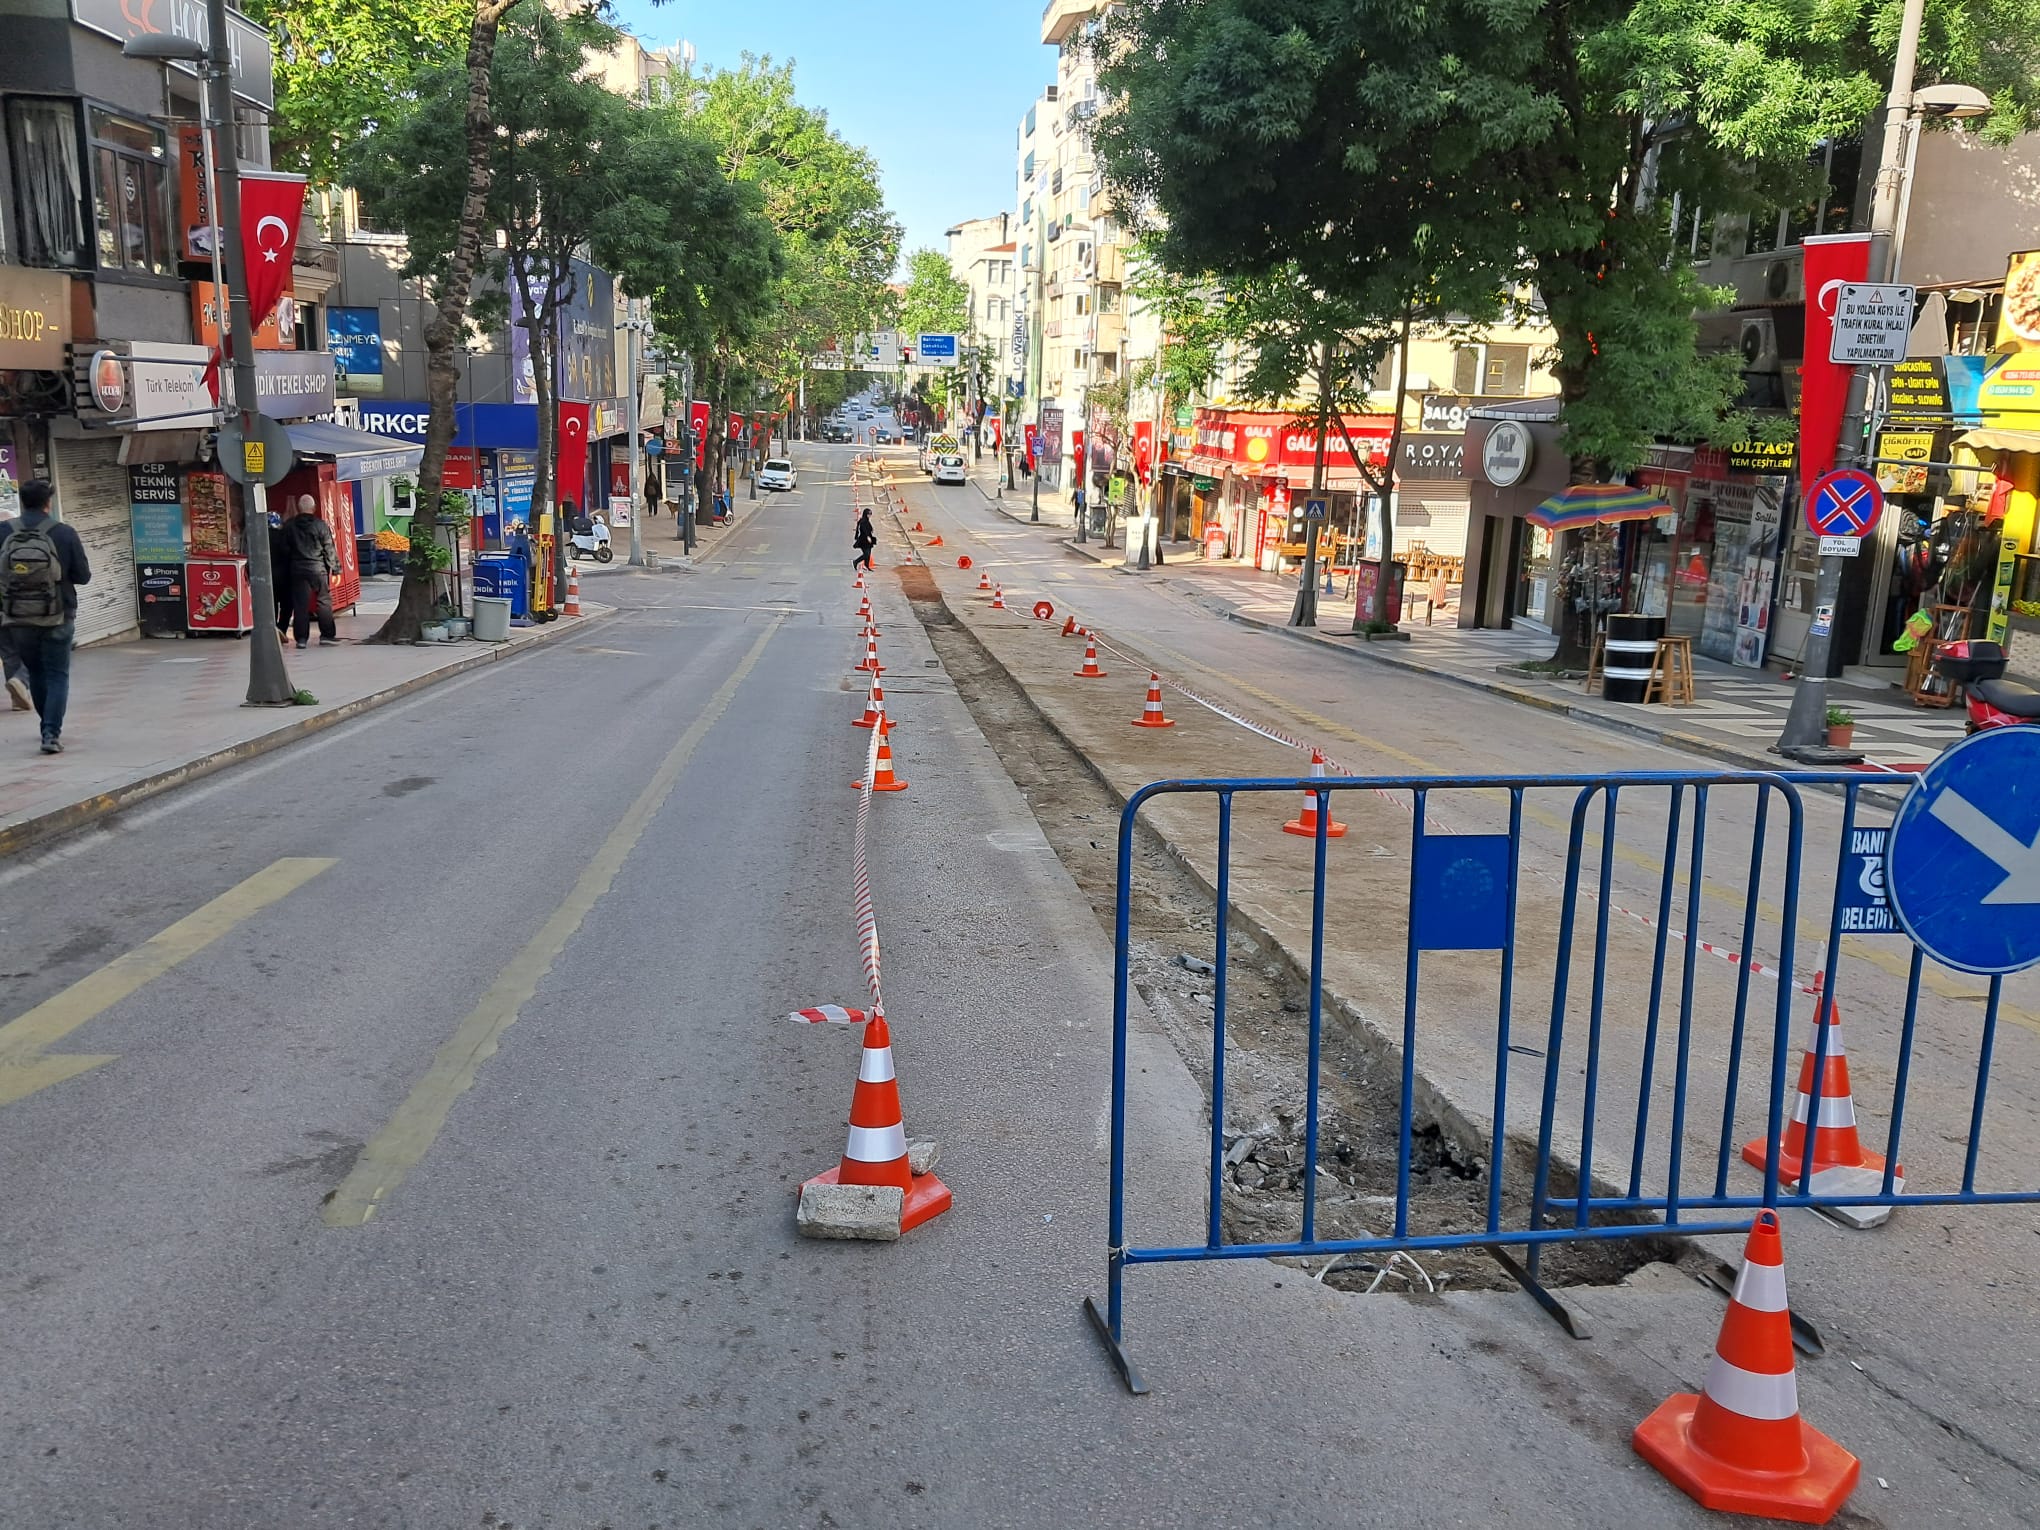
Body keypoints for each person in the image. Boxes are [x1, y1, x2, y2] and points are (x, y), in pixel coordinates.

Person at [0, 478, 91, 754]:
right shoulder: (64, 533)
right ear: (48, 503)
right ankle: (50, 733)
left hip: (18, 616)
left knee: (36, 671)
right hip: (58, 615)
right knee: (57, 674)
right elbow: (83, 576)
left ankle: (46, 726)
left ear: (22, 501)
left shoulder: (3, 531)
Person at [286, 493, 339, 647]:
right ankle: (327, 635)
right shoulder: (320, 525)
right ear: (314, 508)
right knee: (323, 601)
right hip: (317, 568)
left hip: (297, 569)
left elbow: (284, 549)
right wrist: (335, 568)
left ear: (299, 508)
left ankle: (301, 639)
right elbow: (328, 547)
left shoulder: (290, 525)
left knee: (300, 604)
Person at [269, 496, 297, 636]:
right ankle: (282, 629)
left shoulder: (262, 539)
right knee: (287, 606)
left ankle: (273, 629)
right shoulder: (285, 535)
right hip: (286, 577)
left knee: (271, 605)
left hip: (270, 578)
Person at [853, 507, 877, 573]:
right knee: (866, 554)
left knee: (868, 554)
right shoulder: (863, 521)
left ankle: (867, 566)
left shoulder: (867, 520)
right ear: (865, 514)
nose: (869, 515)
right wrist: (867, 537)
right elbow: (863, 530)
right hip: (863, 540)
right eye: (868, 514)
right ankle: (856, 561)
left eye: (870, 514)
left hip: (868, 540)